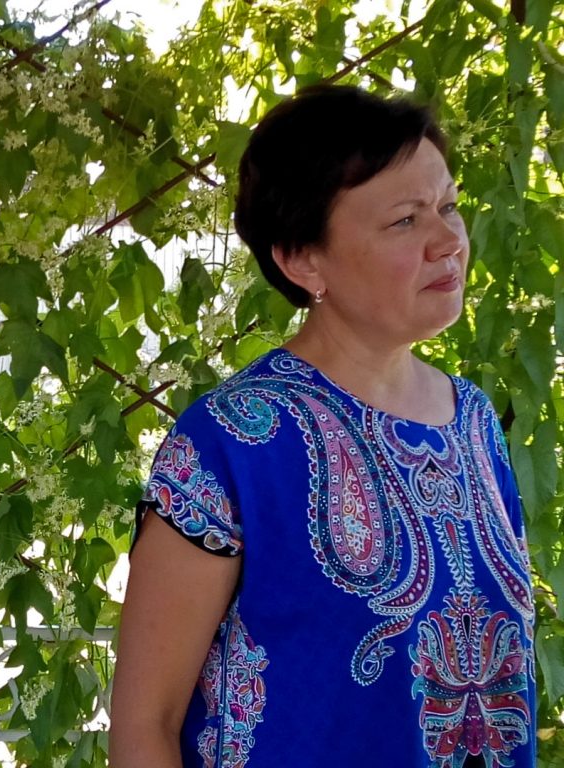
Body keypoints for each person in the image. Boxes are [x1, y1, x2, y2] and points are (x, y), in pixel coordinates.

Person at [109, 85, 535, 767]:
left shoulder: (476, 423)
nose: (449, 239)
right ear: (302, 259)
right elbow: (144, 726)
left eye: (448, 206)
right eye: (405, 220)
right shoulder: (231, 442)